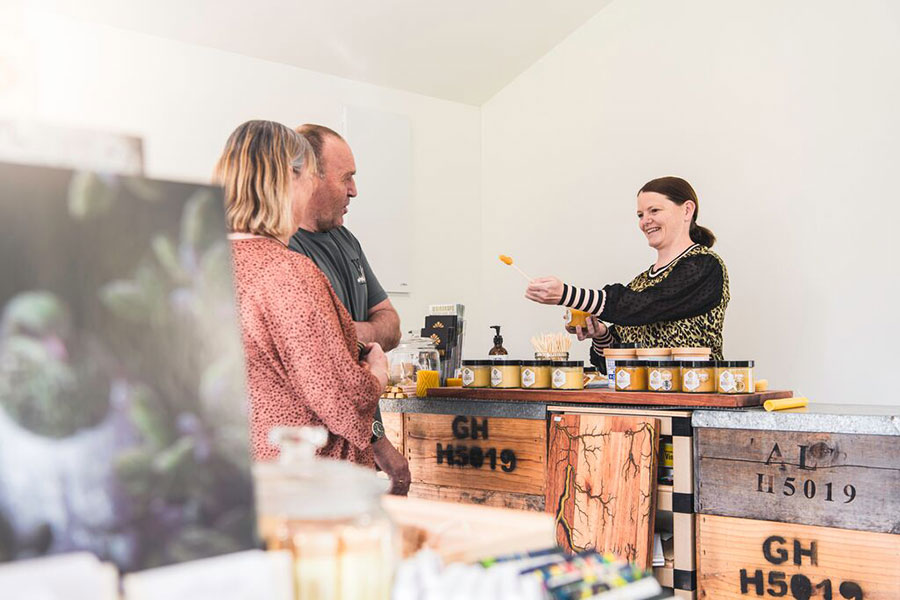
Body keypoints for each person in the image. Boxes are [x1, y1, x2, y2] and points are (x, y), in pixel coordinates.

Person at [214, 120, 410, 494]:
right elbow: (341, 398)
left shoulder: (213, 263)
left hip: (244, 478)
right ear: (288, 178)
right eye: (309, 178)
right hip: (307, 486)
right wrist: (376, 373)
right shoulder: (288, 272)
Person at [525, 176, 729, 367]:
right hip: (642, 392)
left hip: (694, 389)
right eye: (641, 215)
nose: (645, 221)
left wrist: (566, 294)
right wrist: (600, 334)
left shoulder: (705, 266)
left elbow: (643, 306)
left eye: (654, 210)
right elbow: (615, 365)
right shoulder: (641, 283)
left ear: (687, 210)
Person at [290, 124, 401, 353]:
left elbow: (392, 324)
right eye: (346, 178)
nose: (353, 191)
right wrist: (366, 338)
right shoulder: (279, 248)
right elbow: (312, 339)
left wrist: (350, 333)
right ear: (311, 178)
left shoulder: (346, 240)